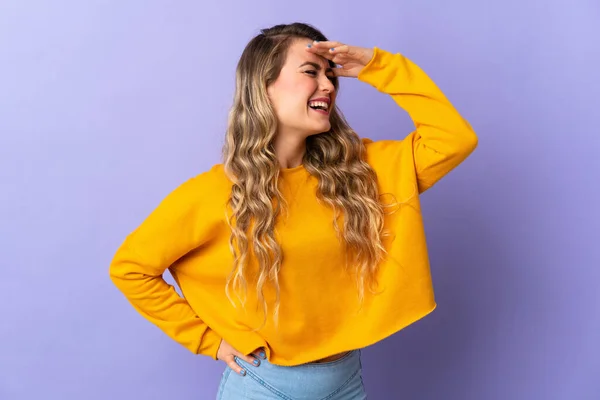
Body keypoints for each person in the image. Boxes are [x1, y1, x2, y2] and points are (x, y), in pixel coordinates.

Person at [109, 22, 478, 399]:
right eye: (310, 71)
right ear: (264, 87)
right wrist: (209, 341)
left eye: (331, 75)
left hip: (346, 381)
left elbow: (454, 139)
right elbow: (130, 268)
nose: (330, 85)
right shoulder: (213, 193)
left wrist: (375, 65)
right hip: (267, 386)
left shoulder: (361, 172)